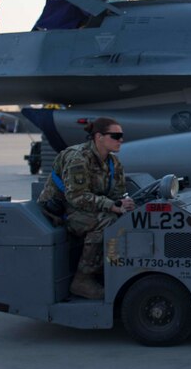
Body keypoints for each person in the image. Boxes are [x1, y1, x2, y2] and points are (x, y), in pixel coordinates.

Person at [37, 117, 135, 299]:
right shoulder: (78, 158)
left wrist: (124, 203)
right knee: (106, 221)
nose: (121, 140)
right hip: (61, 210)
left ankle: (109, 269)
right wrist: (111, 206)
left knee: (127, 218)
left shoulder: (113, 163)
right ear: (99, 137)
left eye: (121, 136)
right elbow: (76, 197)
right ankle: (83, 279)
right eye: (115, 136)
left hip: (86, 207)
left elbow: (117, 193)